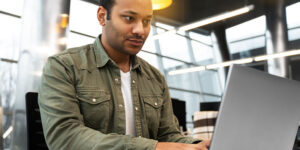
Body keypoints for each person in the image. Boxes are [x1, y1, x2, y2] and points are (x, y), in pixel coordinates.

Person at [38, 0, 210, 149]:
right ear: (102, 16)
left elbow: (167, 135)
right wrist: (153, 147)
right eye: (129, 18)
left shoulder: (155, 78)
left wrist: (198, 145)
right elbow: (65, 137)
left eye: (147, 21)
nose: (140, 30)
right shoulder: (64, 66)